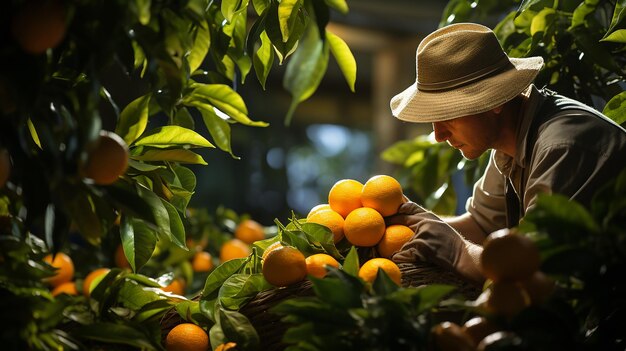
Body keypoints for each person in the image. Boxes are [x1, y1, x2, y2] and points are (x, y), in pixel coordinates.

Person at [385, 23, 626, 283]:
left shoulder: (563, 147)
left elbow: (534, 275)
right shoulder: (510, 141)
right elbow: (482, 224)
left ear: (494, 101)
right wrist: (413, 225)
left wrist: (457, 250)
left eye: (449, 116)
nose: (440, 135)